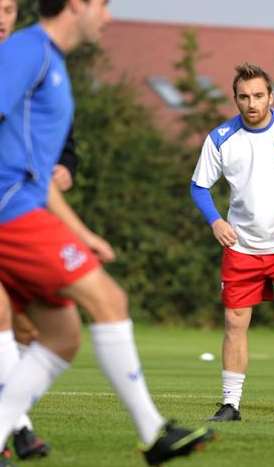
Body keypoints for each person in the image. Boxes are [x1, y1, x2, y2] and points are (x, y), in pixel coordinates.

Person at [0, 1, 215, 466]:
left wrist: (80, 231)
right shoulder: (28, 51)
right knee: (110, 301)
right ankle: (154, 432)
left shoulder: (50, 62)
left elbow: (37, 172)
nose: (108, 16)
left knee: (61, 336)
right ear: (75, 4)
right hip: (11, 217)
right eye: (102, 4)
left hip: (25, 211)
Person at [190, 63, 274, 424]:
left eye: (258, 96)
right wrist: (215, 220)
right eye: (244, 97)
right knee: (235, 321)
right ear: (235, 99)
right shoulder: (220, 138)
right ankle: (231, 404)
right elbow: (199, 186)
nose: (251, 103)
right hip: (242, 246)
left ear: (271, 96)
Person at [0, 0, 78, 461]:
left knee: (21, 325)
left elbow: (65, 140)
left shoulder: (37, 60)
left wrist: (65, 166)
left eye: (8, 8)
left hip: (21, 213)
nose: (1, 16)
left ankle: (20, 427)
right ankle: (22, 428)